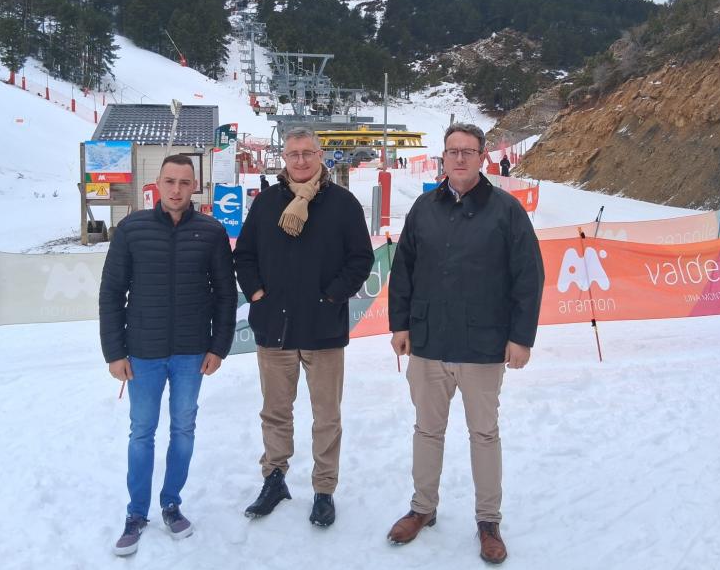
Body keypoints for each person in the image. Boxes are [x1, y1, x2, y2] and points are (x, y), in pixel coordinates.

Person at [386, 123, 544, 565]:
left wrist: (521, 338)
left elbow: (528, 278)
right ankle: (422, 508)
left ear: (482, 157)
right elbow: (403, 273)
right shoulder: (423, 208)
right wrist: (401, 326)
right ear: (443, 157)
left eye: (468, 151)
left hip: (483, 345)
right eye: (453, 151)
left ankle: (488, 521)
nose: (459, 158)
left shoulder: (506, 211)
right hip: (430, 342)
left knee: (484, 434)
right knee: (427, 430)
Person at [234, 126, 373, 528]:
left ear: (320, 155)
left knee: (326, 415)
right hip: (274, 327)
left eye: (307, 153)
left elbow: (359, 259)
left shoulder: (343, 204)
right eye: (293, 154)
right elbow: (244, 255)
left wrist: (331, 296)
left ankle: (324, 489)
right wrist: (257, 293)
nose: (300, 160)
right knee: (275, 412)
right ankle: (274, 478)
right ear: (284, 158)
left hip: (323, 328)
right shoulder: (266, 203)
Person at [99, 154, 237, 556]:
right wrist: (114, 352)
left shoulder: (210, 232)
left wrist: (219, 347)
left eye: (184, 182)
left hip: (192, 354)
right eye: (169, 181)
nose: (176, 189)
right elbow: (111, 293)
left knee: (183, 429)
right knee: (141, 433)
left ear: (194, 186)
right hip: (142, 352)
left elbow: (225, 295)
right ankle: (136, 513)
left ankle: (171, 503)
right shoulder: (131, 229)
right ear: (157, 184)